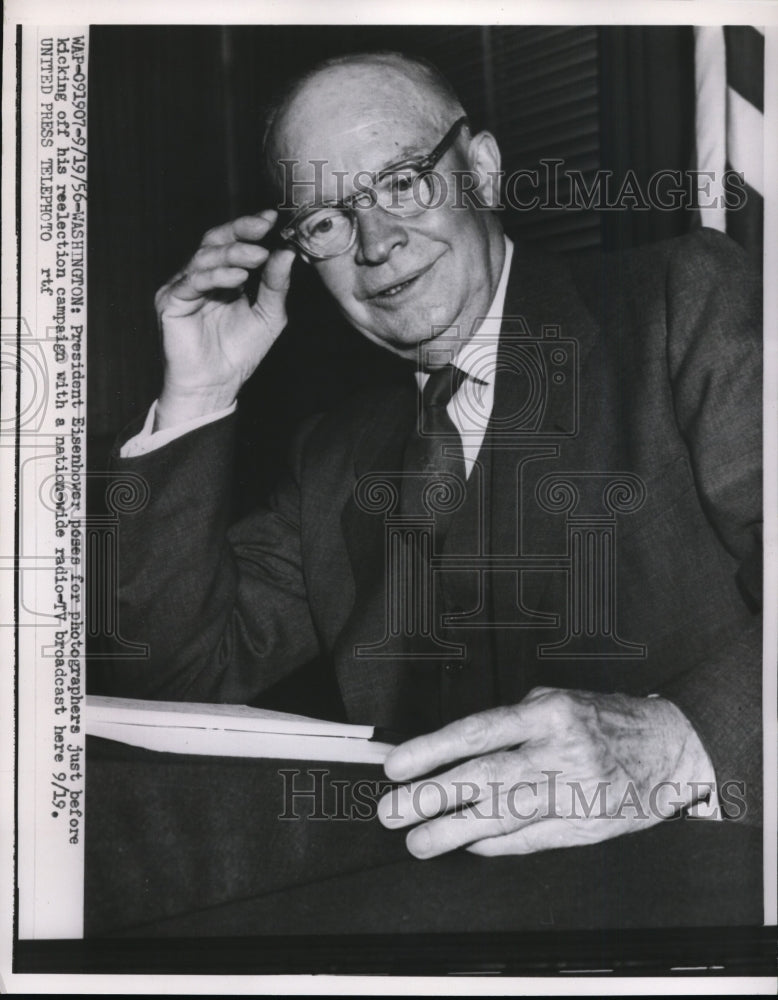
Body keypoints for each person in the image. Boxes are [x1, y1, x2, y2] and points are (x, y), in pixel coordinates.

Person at [109, 51, 762, 860]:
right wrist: (197, 395)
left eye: (404, 181)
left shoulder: (680, 305)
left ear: (482, 168)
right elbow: (175, 680)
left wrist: (673, 744)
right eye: (327, 220)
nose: (377, 243)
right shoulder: (336, 455)